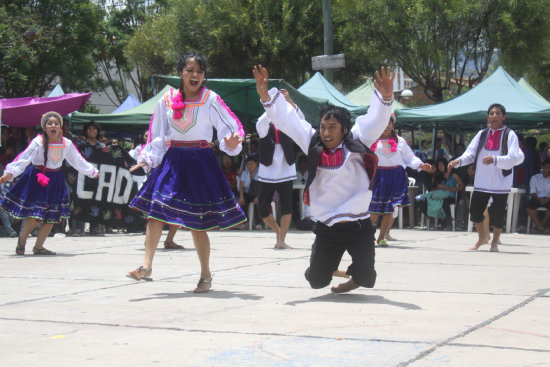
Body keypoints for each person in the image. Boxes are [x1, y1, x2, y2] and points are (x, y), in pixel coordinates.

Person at [254, 64, 395, 293]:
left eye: (332, 127)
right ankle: (325, 264)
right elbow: (289, 122)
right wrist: (266, 97)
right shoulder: (312, 142)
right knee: (316, 281)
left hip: (358, 224)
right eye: (323, 127)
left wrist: (386, 98)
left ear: (345, 130)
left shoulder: (358, 140)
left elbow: (376, 121)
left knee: (367, 277)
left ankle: (353, 279)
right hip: (327, 226)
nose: (326, 132)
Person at [127, 51, 246, 293]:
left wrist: (232, 142)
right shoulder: (166, 100)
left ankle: (205, 275)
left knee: (197, 223)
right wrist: (147, 158)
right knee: (156, 210)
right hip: (173, 161)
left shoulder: (210, 98)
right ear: (180, 72)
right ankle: (146, 265)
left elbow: (230, 127)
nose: (195, 75)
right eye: (190, 70)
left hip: (200, 161)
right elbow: (158, 135)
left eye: (200, 72)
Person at [0, 112, 99, 255]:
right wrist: (10, 173)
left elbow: (77, 160)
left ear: (61, 128)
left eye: (56, 123)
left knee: (52, 216)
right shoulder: (38, 142)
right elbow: (24, 158)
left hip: (55, 180)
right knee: (35, 215)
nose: (53, 126)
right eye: (50, 123)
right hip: (37, 179)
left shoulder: (67, 143)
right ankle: (22, 241)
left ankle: (38, 247)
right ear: (44, 127)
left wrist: (92, 172)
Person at [449, 103, 524, 252]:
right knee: (475, 212)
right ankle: (482, 238)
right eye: (491, 113)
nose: (494, 116)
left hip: (500, 182)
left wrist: (496, 160)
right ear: (488, 116)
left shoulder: (510, 134)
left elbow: (515, 157)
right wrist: (459, 161)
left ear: (504, 116)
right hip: (482, 180)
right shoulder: (482, 134)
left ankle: (494, 242)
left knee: (498, 214)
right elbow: (470, 153)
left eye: (497, 113)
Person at [368, 114, 431, 245]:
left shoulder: (400, 141)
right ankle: (365, 236)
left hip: (396, 177)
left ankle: (381, 238)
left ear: (392, 125)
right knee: (374, 209)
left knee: (390, 209)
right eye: (383, 123)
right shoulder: (372, 139)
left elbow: (410, 157)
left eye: (389, 123)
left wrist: (420, 164)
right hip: (379, 177)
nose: (386, 126)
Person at [256, 89, 301, 249]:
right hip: (268, 168)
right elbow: (260, 124)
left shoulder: (288, 119)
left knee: (287, 206)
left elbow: (301, 120)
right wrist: (271, 106)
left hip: (286, 167)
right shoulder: (264, 120)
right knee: (262, 208)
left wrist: (289, 102)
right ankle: (278, 231)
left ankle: (281, 240)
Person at [424, 157, 464, 230]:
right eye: (438, 166)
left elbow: (462, 186)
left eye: (441, 165)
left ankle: (449, 222)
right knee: (432, 200)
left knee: (444, 202)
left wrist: (452, 189)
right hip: (440, 195)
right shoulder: (438, 176)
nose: (439, 167)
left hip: (450, 196)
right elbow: (434, 187)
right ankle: (432, 221)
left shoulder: (453, 175)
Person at [526, 159, 550, 233]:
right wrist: (540, 199)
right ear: (542, 167)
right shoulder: (535, 178)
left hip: (548, 199)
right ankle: (539, 227)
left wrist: (547, 199)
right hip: (536, 198)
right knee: (528, 206)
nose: (549, 170)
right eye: (547, 167)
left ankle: (538, 226)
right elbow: (532, 192)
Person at [238, 155, 261, 228]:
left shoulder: (260, 172)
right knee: (243, 202)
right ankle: (245, 222)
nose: (250, 166)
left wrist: (258, 197)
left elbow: (262, 187)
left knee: (257, 203)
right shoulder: (245, 173)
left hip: (258, 193)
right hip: (247, 193)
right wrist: (241, 197)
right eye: (248, 164)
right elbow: (241, 187)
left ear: (256, 164)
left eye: (252, 163)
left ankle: (258, 223)